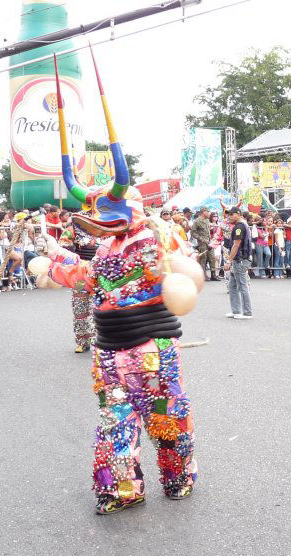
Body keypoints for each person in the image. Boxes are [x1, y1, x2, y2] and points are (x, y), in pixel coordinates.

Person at [40, 53, 198, 514]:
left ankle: (178, 477)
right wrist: (50, 263)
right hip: (109, 351)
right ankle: (122, 488)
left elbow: (180, 267)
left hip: (153, 347)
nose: (100, 227)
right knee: (115, 421)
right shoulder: (106, 249)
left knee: (166, 418)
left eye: (108, 218)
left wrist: (172, 253)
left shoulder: (157, 238)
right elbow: (86, 276)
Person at [59, 216, 97, 353]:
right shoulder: (72, 229)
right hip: (80, 275)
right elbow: (63, 249)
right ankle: (82, 341)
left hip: (98, 274)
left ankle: (98, 340)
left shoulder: (104, 228)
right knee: (79, 307)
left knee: (97, 307)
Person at [225, 208, 253, 319]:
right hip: (239, 259)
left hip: (240, 260)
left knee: (242, 286)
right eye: (228, 215)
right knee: (232, 286)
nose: (230, 216)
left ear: (238, 214)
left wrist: (228, 261)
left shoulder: (239, 226)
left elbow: (236, 245)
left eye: (232, 214)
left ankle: (247, 312)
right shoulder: (241, 225)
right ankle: (236, 310)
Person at [191, 207, 219, 281]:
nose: (209, 213)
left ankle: (213, 274)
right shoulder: (197, 221)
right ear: (204, 212)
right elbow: (193, 232)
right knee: (203, 259)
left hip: (209, 241)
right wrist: (200, 238)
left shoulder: (207, 220)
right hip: (202, 243)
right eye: (208, 212)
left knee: (212, 257)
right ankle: (203, 275)